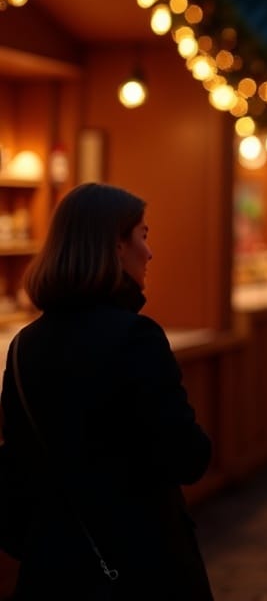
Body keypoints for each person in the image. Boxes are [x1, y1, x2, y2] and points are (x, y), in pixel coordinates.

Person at [0, 182, 213, 600]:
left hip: (52, 569)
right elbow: (187, 457)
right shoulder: (136, 337)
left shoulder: (24, 346)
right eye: (143, 236)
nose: (149, 253)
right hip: (139, 564)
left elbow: (16, 468)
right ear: (115, 245)